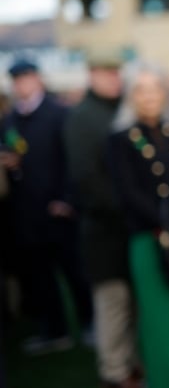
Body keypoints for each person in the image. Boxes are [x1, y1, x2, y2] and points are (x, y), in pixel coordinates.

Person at [108, 62, 169, 388]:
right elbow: (128, 194)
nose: (149, 96)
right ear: (131, 96)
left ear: (164, 93)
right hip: (150, 241)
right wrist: (167, 220)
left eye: (155, 89)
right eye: (141, 90)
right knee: (159, 323)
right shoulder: (122, 139)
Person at [0, 59, 92, 355]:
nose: (21, 84)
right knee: (40, 276)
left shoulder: (59, 113)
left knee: (75, 271)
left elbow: (72, 160)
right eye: (16, 79)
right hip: (27, 210)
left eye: (26, 77)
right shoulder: (10, 120)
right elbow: (12, 153)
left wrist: (66, 199)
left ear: (37, 79)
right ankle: (55, 330)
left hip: (59, 209)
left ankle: (90, 324)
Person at [63, 48, 141, 388]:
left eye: (117, 73)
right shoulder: (83, 117)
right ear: (92, 74)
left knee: (131, 303)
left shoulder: (119, 109)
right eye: (106, 73)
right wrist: (128, 207)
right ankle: (115, 372)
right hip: (103, 230)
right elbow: (86, 179)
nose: (114, 79)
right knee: (113, 305)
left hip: (128, 228)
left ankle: (131, 365)